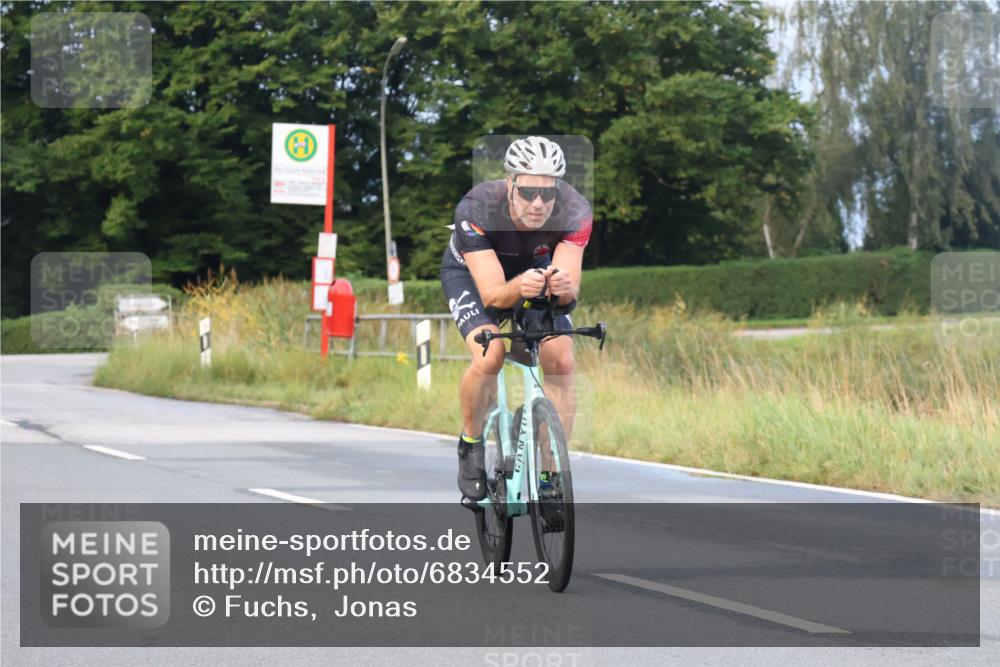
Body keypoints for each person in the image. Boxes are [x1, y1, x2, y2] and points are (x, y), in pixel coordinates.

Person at [440, 136, 593, 501]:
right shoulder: (476, 208)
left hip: (534, 276)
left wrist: (560, 286)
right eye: (527, 191)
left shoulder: (575, 210)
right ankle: (472, 444)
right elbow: (493, 295)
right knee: (490, 355)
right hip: (474, 277)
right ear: (510, 183)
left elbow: (570, 293)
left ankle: (550, 476)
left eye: (547, 192)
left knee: (562, 359)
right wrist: (523, 286)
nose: (538, 203)